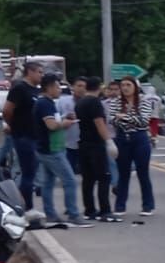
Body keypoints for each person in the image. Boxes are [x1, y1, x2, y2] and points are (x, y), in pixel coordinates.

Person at [32, 74, 85, 226]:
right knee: (69, 180)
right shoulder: (45, 104)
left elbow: (52, 121)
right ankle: (73, 214)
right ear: (48, 87)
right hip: (51, 149)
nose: (59, 90)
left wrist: (63, 117)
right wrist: (65, 123)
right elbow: (51, 125)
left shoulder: (47, 103)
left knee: (48, 182)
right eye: (56, 86)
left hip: (49, 147)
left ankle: (51, 214)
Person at [109, 76, 159, 216]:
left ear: (135, 87)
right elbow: (113, 119)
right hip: (122, 138)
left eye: (128, 85)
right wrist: (128, 119)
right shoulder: (116, 102)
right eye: (123, 85)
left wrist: (124, 117)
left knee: (143, 173)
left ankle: (148, 206)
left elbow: (144, 121)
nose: (125, 88)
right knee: (123, 174)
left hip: (140, 139)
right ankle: (120, 206)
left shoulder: (144, 101)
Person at [1, 59, 44, 209]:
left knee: (32, 172)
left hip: (34, 135)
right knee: (27, 174)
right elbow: (7, 110)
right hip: (23, 136)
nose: (41, 75)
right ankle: (26, 207)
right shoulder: (20, 88)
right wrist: (14, 126)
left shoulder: (35, 90)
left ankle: (23, 204)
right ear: (30, 72)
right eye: (39, 72)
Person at [77, 77, 116, 222]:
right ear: (99, 88)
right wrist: (109, 141)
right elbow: (99, 123)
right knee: (104, 177)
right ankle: (105, 210)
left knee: (88, 179)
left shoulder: (80, 102)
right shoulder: (95, 102)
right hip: (95, 144)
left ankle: (89, 209)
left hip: (83, 143)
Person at [61, 77, 86, 174]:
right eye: (79, 86)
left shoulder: (91, 102)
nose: (81, 89)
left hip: (84, 141)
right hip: (67, 142)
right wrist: (65, 117)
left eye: (84, 86)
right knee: (68, 171)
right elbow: (55, 117)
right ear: (72, 87)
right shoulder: (63, 101)